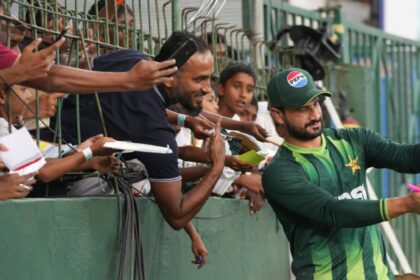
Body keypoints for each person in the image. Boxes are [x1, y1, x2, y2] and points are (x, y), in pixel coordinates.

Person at [49, 31, 225, 231]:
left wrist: (185, 120)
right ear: (168, 78)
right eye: (200, 79)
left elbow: (135, 105)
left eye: (209, 79)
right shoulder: (156, 131)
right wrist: (217, 167)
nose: (207, 89)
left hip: (45, 149)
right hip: (59, 186)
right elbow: (177, 215)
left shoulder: (132, 59)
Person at [262, 68, 420, 280]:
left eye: (316, 104)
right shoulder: (280, 172)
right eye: (302, 109)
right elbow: (333, 211)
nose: (315, 114)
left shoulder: (353, 140)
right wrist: (406, 204)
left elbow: (407, 157)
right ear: (278, 115)